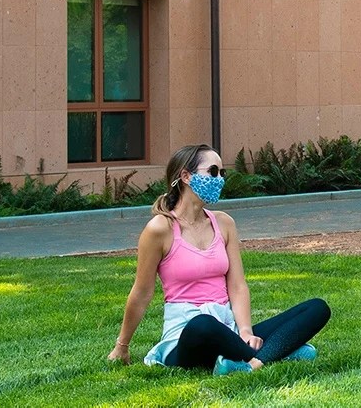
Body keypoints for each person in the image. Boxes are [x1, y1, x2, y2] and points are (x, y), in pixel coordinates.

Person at [107, 144, 332, 375]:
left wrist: (244, 331)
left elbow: (237, 285)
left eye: (222, 173)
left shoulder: (224, 223)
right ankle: (281, 351)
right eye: (213, 172)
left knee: (317, 308)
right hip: (188, 334)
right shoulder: (159, 229)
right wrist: (121, 346)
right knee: (203, 324)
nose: (220, 179)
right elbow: (142, 292)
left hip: (229, 329)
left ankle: (252, 364)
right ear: (186, 176)